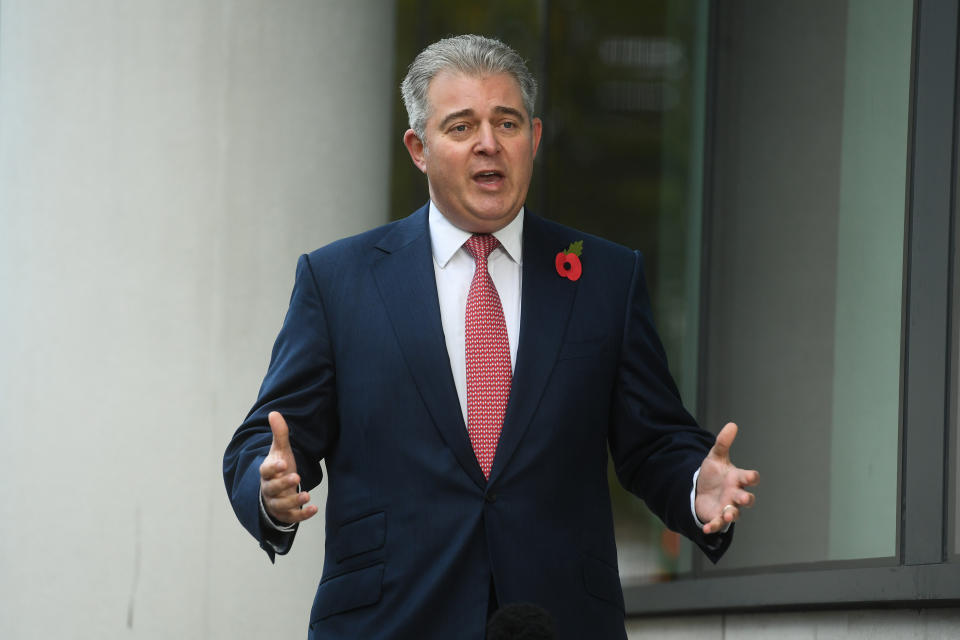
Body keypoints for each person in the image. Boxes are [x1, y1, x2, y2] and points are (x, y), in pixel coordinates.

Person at [223, 34, 758, 639]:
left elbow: (652, 440)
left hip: (555, 621)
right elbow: (264, 441)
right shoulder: (338, 280)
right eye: (461, 126)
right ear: (418, 148)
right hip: (389, 620)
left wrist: (694, 489)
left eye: (506, 123)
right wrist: (269, 492)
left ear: (532, 138)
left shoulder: (604, 276)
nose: (488, 143)